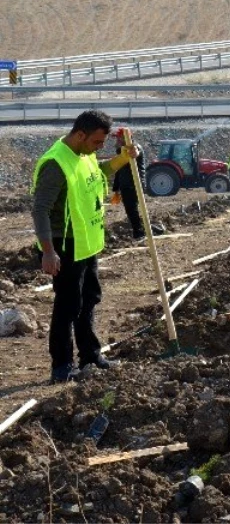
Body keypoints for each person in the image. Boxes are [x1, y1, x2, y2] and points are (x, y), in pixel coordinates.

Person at [33, 110, 137, 383]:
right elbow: (40, 209)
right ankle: (62, 365)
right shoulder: (55, 164)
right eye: (96, 143)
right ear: (80, 135)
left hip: (87, 242)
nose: (99, 148)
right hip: (64, 244)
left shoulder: (83, 154)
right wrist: (47, 251)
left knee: (89, 299)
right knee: (68, 305)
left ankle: (91, 354)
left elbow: (98, 172)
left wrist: (123, 158)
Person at [110, 128, 147, 239]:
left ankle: (139, 234)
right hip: (125, 185)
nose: (117, 140)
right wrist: (116, 189)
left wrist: (134, 151)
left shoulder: (133, 148)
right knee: (130, 209)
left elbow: (136, 151)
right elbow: (119, 170)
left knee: (132, 209)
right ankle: (140, 231)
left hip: (134, 184)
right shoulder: (122, 152)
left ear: (126, 137)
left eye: (119, 137)